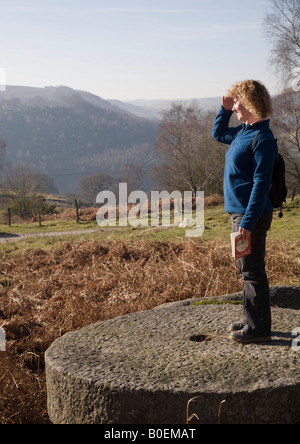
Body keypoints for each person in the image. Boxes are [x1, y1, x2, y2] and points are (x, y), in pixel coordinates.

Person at [212, 80, 277, 344]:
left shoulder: (263, 139)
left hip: (252, 215)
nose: (235, 105)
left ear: (250, 103)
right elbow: (218, 134)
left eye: (238, 102)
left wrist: (247, 223)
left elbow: (261, 186)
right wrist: (224, 109)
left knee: (252, 271)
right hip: (239, 214)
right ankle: (250, 318)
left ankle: (259, 329)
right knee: (246, 268)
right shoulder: (243, 132)